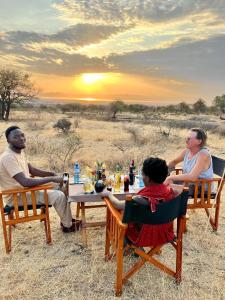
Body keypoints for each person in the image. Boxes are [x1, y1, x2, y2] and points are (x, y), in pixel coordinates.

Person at [0, 126, 79, 233]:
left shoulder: (19, 152)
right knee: (58, 195)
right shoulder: (8, 157)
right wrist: (52, 178)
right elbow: (25, 182)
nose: (21, 138)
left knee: (63, 185)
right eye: (16, 137)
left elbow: (32, 170)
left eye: (22, 135)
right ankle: (68, 226)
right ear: (8, 140)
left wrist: (52, 174)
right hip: (16, 196)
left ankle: (66, 220)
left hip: (25, 191)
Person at [101, 157, 178, 247]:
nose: (142, 177)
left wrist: (109, 194)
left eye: (143, 175)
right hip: (165, 234)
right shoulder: (171, 193)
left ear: (148, 179)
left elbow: (117, 205)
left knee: (119, 213)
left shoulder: (140, 199)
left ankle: (125, 246)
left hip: (141, 237)